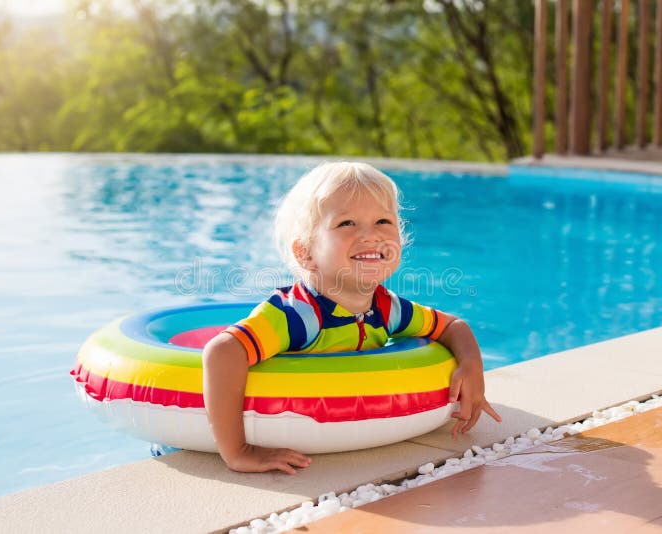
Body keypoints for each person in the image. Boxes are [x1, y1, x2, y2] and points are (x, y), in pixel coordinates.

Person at [202, 162, 501, 474]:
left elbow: (453, 326)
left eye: (383, 221)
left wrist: (471, 368)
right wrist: (238, 451)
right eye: (347, 223)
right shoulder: (297, 315)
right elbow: (222, 352)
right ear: (306, 253)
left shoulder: (386, 309)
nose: (371, 236)